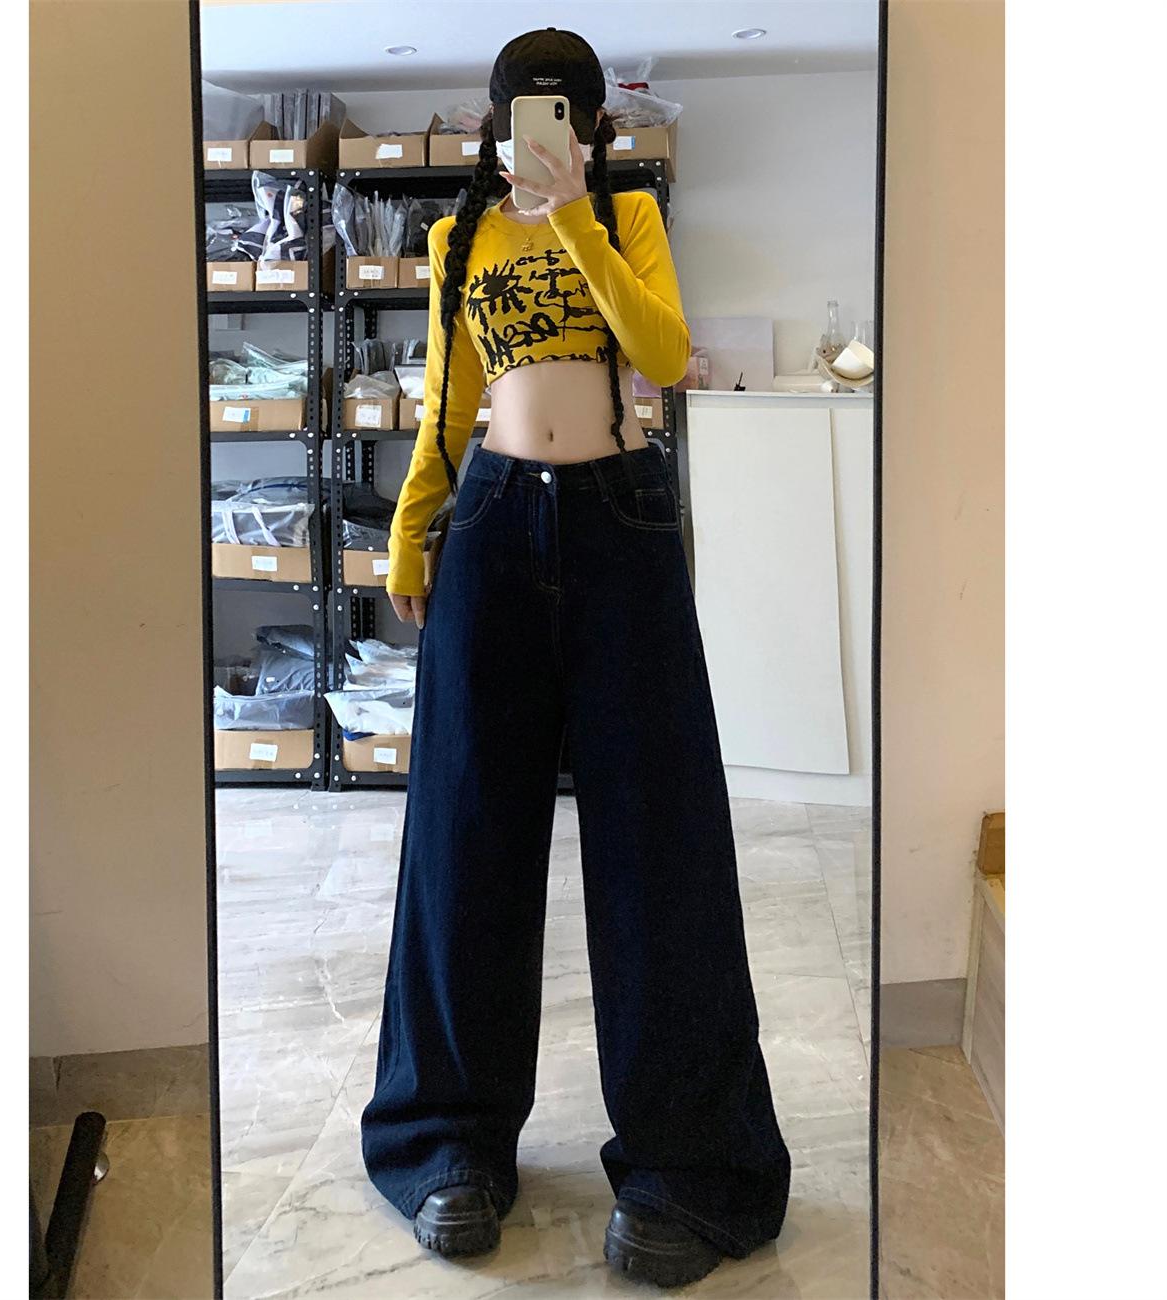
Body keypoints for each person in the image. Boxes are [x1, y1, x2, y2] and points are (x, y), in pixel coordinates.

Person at [360, 27, 792, 1289]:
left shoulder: (629, 218)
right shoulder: (457, 240)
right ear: (493, 129)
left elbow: (659, 356)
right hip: (491, 521)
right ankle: (446, 1141)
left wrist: (578, 223)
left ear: (593, 130)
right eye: (519, 120)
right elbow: (444, 403)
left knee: (661, 838)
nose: (539, 137)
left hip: (620, 522)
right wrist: (409, 531)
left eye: (561, 118)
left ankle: (688, 1167)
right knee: (462, 829)